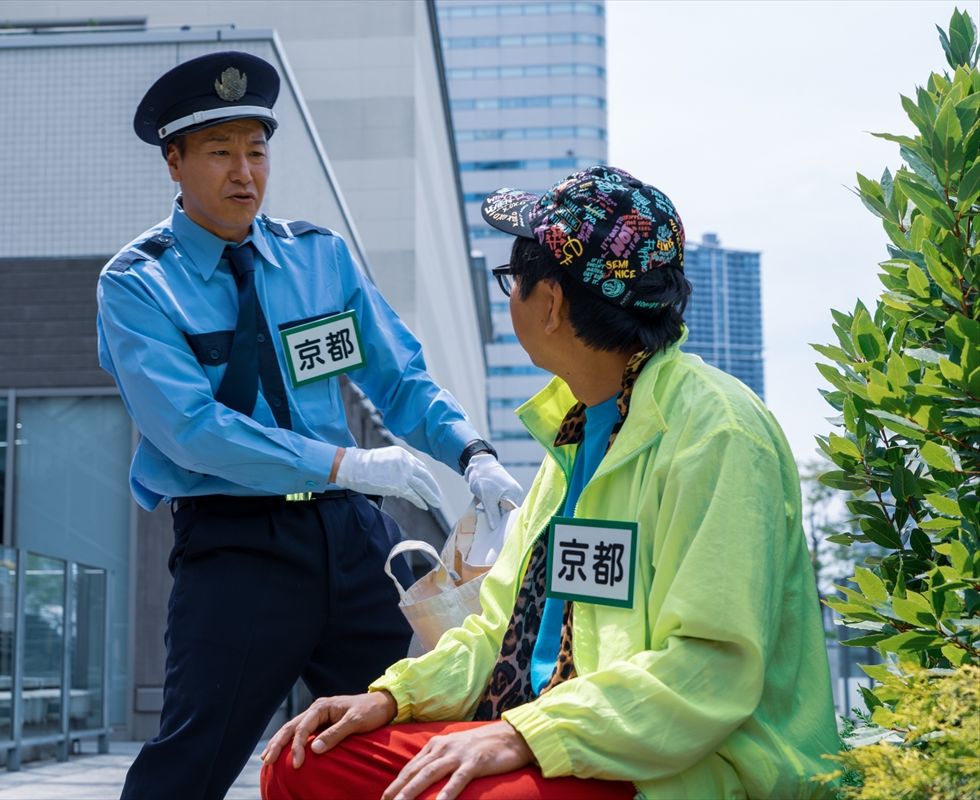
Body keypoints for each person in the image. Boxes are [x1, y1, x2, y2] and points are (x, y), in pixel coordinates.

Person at [261, 167, 839, 800]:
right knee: (301, 761)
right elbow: (496, 630)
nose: (509, 298)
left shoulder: (717, 432)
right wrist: (393, 697)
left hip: (666, 768)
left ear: (553, 303)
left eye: (513, 281)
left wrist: (526, 735)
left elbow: (709, 669)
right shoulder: (575, 428)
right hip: (545, 733)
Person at [96, 51, 523, 800]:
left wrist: (474, 453)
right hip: (236, 546)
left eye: (257, 151)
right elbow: (191, 429)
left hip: (353, 540)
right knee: (188, 765)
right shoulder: (139, 285)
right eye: (220, 153)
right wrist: (345, 463)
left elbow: (399, 379)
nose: (244, 173)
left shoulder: (317, 260)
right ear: (175, 161)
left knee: (435, 723)